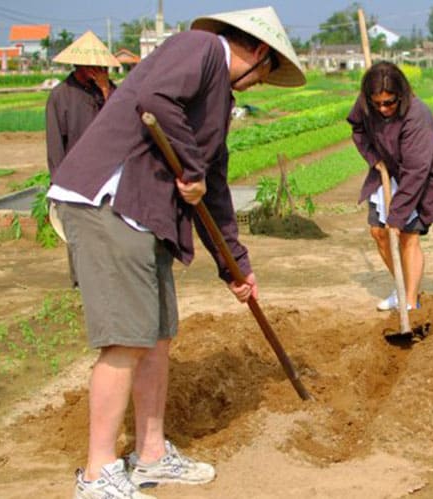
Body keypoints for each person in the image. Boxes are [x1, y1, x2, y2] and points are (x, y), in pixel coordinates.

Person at [46, 7, 305, 499]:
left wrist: (237, 265)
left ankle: (150, 453)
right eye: (268, 74)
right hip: (107, 202)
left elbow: (214, 190)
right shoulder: (202, 48)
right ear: (261, 55)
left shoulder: (218, 104)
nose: (262, 84)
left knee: (157, 335)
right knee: (126, 337)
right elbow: (152, 97)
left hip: (147, 218)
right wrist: (191, 166)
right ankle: (98, 474)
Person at [347, 62, 433, 312]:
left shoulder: (417, 116)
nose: (383, 109)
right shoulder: (367, 104)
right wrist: (372, 158)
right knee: (379, 233)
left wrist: (397, 217)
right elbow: (357, 127)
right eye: (377, 104)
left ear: (402, 94)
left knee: (408, 236)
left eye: (389, 103)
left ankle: (410, 302)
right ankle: (402, 287)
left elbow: (416, 171)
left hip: (418, 181)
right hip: (387, 172)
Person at [45, 30, 120, 287]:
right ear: (81, 65)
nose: (99, 70)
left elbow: (119, 123)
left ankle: (109, 278)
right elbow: (55, 144)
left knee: (109, 226)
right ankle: (81, 280)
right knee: (78, 230)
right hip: (75, 174)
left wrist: (105, 89)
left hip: (108, 172)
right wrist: (58, 182)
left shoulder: (110, 92)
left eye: (102, 67)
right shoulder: (60, 96)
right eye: (95, 67)